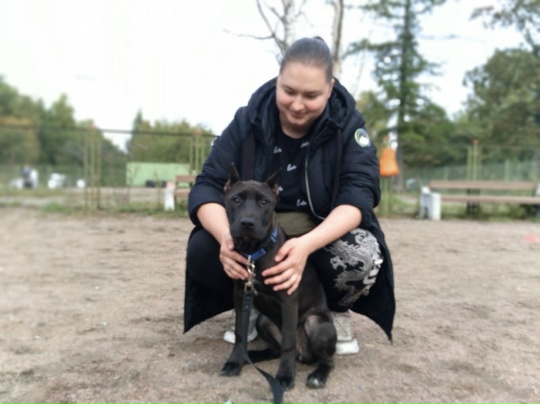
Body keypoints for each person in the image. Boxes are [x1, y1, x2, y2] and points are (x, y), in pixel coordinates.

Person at [184, 37, 395, 355]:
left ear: (330, 88)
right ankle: (253, 304)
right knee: (203, 248)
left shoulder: (349, 126)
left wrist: (306, 245)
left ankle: (327, 311)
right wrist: (225, 237)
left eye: (311, 95)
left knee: (362, 255)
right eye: (289, 91)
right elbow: (206, 185)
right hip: (257, 229)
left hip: (319, 233)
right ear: (277, 80)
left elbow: (359, 195)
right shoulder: (247, 120)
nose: (297, 105)